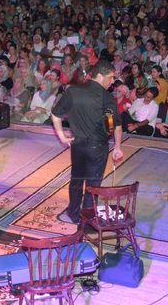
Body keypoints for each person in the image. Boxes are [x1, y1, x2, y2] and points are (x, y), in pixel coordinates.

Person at [51, 61, 124, 224]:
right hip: (97, 147)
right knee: (93, 185)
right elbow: (114, 126)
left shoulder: (73, 91)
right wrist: (118, 146)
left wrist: (62, 137)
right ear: (100, 76)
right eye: (111, 77)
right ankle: (87, 219)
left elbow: (55, 115)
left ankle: (73, 213)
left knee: (76, 180)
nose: (113, 81)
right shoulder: (106, 97)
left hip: (77, 144)